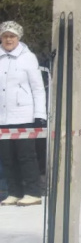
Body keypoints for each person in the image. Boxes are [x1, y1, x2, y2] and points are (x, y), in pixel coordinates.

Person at [0, 20, 46, 206]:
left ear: (18, 37)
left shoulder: (28, 57)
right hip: (3, 116)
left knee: (26, 155)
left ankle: (33, 192)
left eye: (12, 36)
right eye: (5, 36)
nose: (8, 40)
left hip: (23, 115)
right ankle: (14, 191)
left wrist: (40, 114)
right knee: (7, 156)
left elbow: (37, 88)